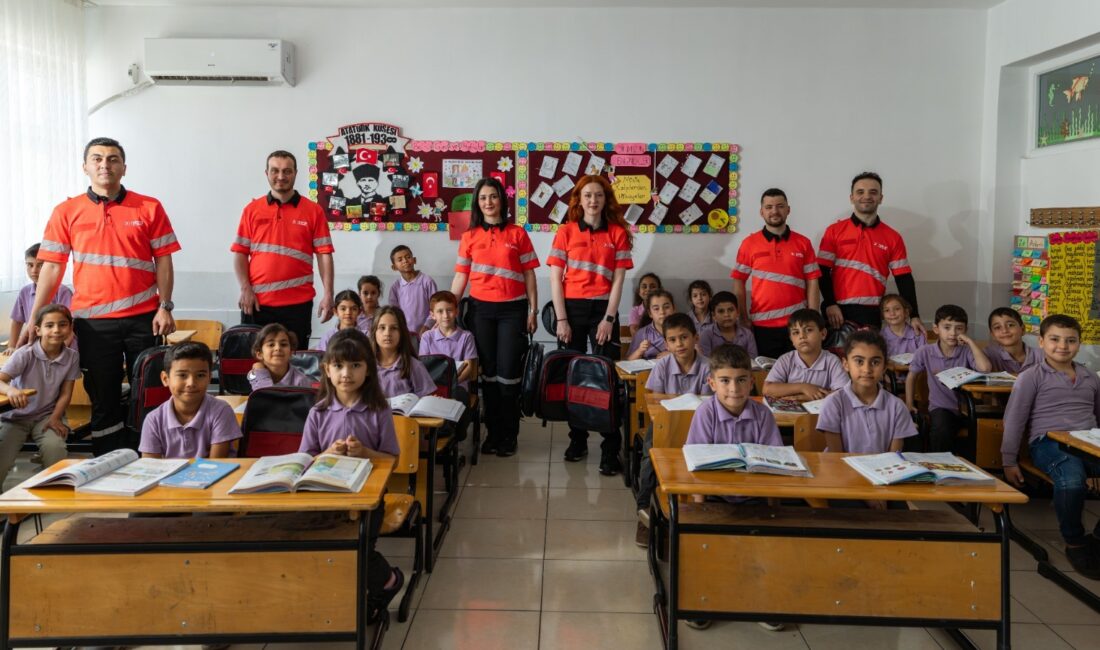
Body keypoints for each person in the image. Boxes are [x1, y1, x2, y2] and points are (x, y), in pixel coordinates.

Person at [22, 137, 181, 455]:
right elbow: (52, 269)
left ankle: (147, 456)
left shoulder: (149, 207)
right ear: (85, 167)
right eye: (97, 159)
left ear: (123, 167)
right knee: (103, 397)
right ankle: (107, 462)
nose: (104, 165)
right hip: (93, 325)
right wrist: (33, 319)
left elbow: (163, 259)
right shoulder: (67, 212)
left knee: (148, 392)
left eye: (112, 159)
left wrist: (165, 306)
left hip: (144, 320)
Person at [297, 328, 405, 618]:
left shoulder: (378, 410)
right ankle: (340, 595)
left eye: (356, 365)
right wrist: (327, 454)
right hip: (326, 496)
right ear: (327, 371)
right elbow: (304, 460)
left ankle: (389, 581)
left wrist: (366, 453)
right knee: (325, 547)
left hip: (368, 499)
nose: (347, 373)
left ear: (368, 370)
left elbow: (393, 460)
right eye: (339, 366)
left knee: (360, 548)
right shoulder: (318, 412)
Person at [682, 342, 785, 633]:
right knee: (708, 543)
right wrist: (698, 508)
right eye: (725, 381)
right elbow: (697, 465)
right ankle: (702, 600)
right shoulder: (706, 413)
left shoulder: (763, 414)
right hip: (715, 496)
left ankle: (762, 600)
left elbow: (774, 461)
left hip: (754, 496)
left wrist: (774, 508)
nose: (734, 389)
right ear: (711, 382)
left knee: (763, 544)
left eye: (741, 380)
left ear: (752, 381)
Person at [1001, 315, 1100, 579]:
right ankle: (1075, 541)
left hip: (1088, 440)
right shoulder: (1031, 377)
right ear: (1041, 342)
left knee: (1079, 466)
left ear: (1079, 344)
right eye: (1055, 339)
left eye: (1071, 340)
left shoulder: (1090, 377)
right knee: (1072, 477)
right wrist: (1009, 461)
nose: (1063, 346)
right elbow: (1014, 419)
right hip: (1049, 442)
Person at [548, 174, 634, 474]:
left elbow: (619, 278)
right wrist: (561, 319)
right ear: (579, 200)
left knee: (606, 377)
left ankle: (610, 448)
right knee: (573, 376)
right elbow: (555, 278)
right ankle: (578, 440)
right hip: (571, 309)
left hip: (603, 309)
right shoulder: (566, 232)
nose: (593, 200)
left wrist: (609, 318)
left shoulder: (618, 233)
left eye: (598, 195)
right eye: (587, 195)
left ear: (605, 199)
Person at [450, 177, 539, 457]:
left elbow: (529, 274)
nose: (488, 202)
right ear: (478, 203)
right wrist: (448, 308)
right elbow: (461, 276)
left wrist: (533, 310)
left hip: (513, 310)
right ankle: (493, 433)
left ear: (502, 200)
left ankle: (509, 434)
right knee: (488, 375)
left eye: (493, 196)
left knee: (508, 374)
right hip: (481, 311)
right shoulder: (470, 236)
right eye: (483, 197)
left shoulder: (517, 234)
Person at [232, 150, 335, 351]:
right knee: (256, 363)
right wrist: (245, 288)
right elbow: (240, 253)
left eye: (287, 171)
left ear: (296, 173)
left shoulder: (314, 211)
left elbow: (324, 254)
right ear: (266, 173)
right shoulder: (252, 210)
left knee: (296, 362)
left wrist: (328, 293)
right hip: (257, 304)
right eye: (275, 171)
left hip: (298, 305)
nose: (281, 176)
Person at [634, 313, 711, 546]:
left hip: (699, 427)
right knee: (650, 457)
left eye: (684, 338)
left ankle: (700, 509)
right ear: (666, 343)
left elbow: (710, 406)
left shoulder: (708, 366)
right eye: (673, 340)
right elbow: (653, 403)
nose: (680, 344)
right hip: (665, 424)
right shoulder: (662, 366)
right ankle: (644, 512)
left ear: (695, 338)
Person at [817, 172, 923, 333]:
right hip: (836, 312)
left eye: (873, 192)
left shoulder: (892, 237)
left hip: (872, 312)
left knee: (869, 357)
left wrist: (914, 315)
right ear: (851, 197)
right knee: (836, 358)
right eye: (860, 192)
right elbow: (822, 271)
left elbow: (904, 278)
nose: (866, 196)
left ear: (881, 197)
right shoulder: (834, 231)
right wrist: (830, 303)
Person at [731, 188, 821, 359]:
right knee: (768, 378)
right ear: (761, 211)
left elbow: (813, 281)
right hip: (763, 327)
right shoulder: (749, 244)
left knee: (799, 374)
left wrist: (813, 317)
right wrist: (743, 317)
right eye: (769, 207)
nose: (774, 211)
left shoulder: (803, 243)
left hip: (797, 325)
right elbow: (738, 282)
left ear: (788, 210)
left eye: (780, 206)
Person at [0, 305, 80, 487]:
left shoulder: (72, 357)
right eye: (49, 325)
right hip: (14, 419)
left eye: (62, 325)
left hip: (46, 417)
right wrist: (11, 391)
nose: (56, 330)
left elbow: (66, 393)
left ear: (70, 328)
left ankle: (51, 495)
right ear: (37, 330)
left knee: (56, 449)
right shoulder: (25, 354)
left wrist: (55, 418)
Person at [905, 304, 992, 452]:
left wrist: (970, 342)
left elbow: (985, 368)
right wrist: (908, 403)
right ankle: (939, 465)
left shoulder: (967, 351)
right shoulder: (925, 351)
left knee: (987, 431)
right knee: (941, 431)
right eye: (947, 327)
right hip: (941, 407)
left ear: (965, 331)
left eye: (959, 328)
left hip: (968, 408)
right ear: (936, 329)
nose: (953, 333)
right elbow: (911, 376)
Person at [817, 330, 918, 454]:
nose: (867, 369)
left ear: (884, 367)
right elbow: (836, 457)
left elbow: (894, 458)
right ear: (845, 364)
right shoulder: (834, 403)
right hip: (842, 470)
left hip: (882, 471)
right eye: (859, 361)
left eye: (875, 362)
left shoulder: (897, 407)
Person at [139, 342, 241, 459]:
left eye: (200, 375)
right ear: (165, 379)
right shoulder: (153, 420)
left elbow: (215, 466)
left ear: (209, 378)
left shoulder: (221, 411)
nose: (191, 383)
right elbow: (150, 469)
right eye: (182, 375)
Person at [420, 291, 478, 440]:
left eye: (449, 310)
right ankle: (432, 436)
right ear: (432, 315)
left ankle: (456, 435)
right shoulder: (427, 337)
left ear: (456, 311)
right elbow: (424, 366)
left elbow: (470, 369)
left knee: (459, 398)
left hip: (457, 386)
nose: (445, 315)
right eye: (440, 311)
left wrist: (450, 383)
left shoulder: (466, 337)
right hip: (433, 386)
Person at [763, 309, 848, 400]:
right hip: (790, 413)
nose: (802, 336)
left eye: (808, 330)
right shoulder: (786, 359)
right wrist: (803, 387)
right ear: (791, 339)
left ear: (823, 334)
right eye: (796, 332)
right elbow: (767, 389)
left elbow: (844, 394)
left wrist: (805, 397)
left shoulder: (832, 361)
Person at [8, 243, 72, 350]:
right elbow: (17, 321)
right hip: (33, 346)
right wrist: (11, 346)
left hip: (59, 346)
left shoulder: (62, 291)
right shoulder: (25, 291)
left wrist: (62, 350)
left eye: (40, 265)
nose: (34, 271)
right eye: (30, 265)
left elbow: (71, 325)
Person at [371, 306, 435, 398]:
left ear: (402, 332)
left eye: (394, 328)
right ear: (374, 331)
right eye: (382, 327)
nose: (387, 333)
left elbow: (427, 403)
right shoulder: (365, 366)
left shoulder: (413, 365)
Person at [388, 245, 438, 336]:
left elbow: (436, 307)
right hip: (404, 333)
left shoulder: (427, 281)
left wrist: (427, 325)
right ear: (394, 267)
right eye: (400, 260)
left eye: (408, 257)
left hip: (427, 331)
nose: (405, 261)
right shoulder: (395, 288)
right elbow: (394, 312)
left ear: (414, 260)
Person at [247, 323, 314, 391]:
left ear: (291, 352)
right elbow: (263, 396)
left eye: (283, 344)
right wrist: (261, 372)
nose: (278, 348)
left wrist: (261, 371)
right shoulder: (256, 373)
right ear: (260, 354)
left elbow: (268, 396)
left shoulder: (301, 381)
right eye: (271, 345)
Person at [698, 291, 756, 357]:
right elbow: (705, 362)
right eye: (721, 311)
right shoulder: (706, 334)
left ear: (737, 312)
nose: (726, 315)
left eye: (731, 310)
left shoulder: (747, 334)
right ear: (713, 315)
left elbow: (753, 361)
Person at [985, 307, 1043, 374]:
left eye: (1010, 325)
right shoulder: (988, 356)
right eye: (997, 327)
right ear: (992, 335)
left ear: (1023, 329)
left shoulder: (1042, 356)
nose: (1004, 331)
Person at [626, 290, 675, 361]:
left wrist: (673, 355)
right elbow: (629, 361)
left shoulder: (682, 329)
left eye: (666, 307)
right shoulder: (642, 333)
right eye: (656, 309)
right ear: (650, 313)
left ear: (673, 308)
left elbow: (693, 353)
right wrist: (640, 350)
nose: (662, 312)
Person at [880, 293, 925, 358]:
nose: (892, 313)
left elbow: (923, 358)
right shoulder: (881, 337)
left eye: (897, 309)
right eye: (887, 310)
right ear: (883, 315)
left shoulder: (917, 334)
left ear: (906, 312)